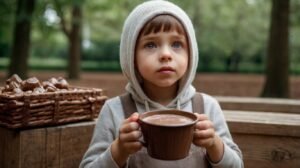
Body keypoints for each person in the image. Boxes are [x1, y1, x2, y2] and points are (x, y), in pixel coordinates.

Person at [79, 0, 243, 168]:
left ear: (191, 54)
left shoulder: (206, 107)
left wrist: (214, 143)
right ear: (131, 57)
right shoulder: (115, 111)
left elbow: (237, 165)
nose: (165, 54)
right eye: (150, 44)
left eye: (176, 44)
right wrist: (119, 149)